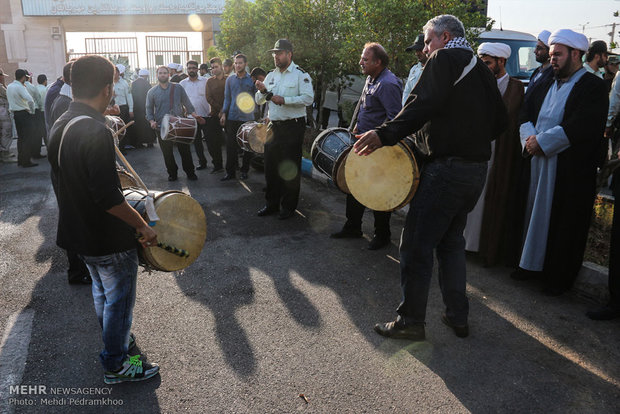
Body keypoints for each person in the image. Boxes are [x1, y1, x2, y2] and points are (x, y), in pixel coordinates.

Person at [355, 15, 507, 340]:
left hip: (447, 170)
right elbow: (501, 122)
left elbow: (421, 103)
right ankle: (457, 316)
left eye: (427, 40)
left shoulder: (443, 58)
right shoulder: (481, 69)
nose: (424, 48)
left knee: (415, 243)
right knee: (451, 242)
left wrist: (385, 134)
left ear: (445, 36)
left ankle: (410, 321)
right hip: (475, 170)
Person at [47, 54, 160, 384]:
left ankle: (118, 345)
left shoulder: (62, 121)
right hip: (106, 237)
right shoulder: (94, 130)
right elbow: (108, 197)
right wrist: (142, 226)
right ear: (108, 89)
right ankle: (117, 363)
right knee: (119, 302)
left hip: (79, 233)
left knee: (104, 295)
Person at [512, 29, 608, 296]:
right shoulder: (545, 81)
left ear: (576, 54)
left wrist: (542, 142)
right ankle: (527, 266)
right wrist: (529, 139)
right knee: (531, 215)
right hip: (536, 162)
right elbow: (525, 111)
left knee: (562, 223)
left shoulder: (593, 87)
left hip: (566, 169)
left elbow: (583, 126)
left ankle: (554, 278)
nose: (552, 59)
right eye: (551, 54)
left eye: (558, 54)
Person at [330, 43, 402, 250]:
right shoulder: (372, 79)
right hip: (361, 144)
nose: (361, 62)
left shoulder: (388, 84)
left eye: (365, 59)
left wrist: (379, 141)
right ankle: (353, 227)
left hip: (378, 150)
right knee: (355, 186)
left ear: (378, 62)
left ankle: (382, 235)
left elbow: (394, 120)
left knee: (379, 191)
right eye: (362, 58)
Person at [463, 42, 524, 267]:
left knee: (492, 198)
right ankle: (465, 245)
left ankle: (486, 249)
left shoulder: (516, 88)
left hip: (500, 154)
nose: (484, 66)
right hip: (474, 151)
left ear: (501, 62)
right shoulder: (474, 83)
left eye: (488, 63)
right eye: (481, 62)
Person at [255, 39, 314, 219]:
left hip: (292, 126)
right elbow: (258, 100)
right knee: (271, 167)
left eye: (279, 53)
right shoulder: (272, 75)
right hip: (273, 126)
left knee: (289, 168)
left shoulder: (300, 75)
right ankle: (271, 203)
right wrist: (263, 90)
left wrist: (285, 100)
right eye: (274, 53)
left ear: (289, 54)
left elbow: (308, 98)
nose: (276, 56)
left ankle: (288, 207)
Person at [146, 65, 204, 181]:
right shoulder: (152, 92)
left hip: (179, 124)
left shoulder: (177, 88)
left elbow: (187, 103)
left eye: (165, 73)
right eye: (160, 73)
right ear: (157, 75)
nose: (162, 75)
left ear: (169, 74)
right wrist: (152, 121)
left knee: (185, 151)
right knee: (167, 153)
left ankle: (190, 172)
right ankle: (172, 174)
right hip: (161, 126)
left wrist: (195, 115)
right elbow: (148, 109)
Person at [221, 54, 255, 181]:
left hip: (247, 117)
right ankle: (230, 172)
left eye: (240, 63)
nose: (237, 65)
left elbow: (258, 98)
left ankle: (245, 170)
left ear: (245, 64)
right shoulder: (230, 80)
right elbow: (227, 98)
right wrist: (224, 113)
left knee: (248, 146)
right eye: (236, 63)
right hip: (232, 117)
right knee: (230, 146)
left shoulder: (251, 80)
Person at [180, 60, 209, 170]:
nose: (191, 70)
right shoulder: (182, 84)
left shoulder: (206, 81)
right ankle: (202, 162)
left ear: (197, 69)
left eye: (193, 68)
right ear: (187, 70)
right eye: (189, 68)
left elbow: (210, 96)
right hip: (191, 118)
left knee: (211, 141)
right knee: (197, 143)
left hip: (206, 115)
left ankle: (217, 164)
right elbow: (180, 100)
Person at [7, 68, 37, 167]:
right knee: (27, 138)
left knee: (21, 138)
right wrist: (32, 112)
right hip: (24, 113)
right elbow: (30, 100)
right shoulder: (20, 87)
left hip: (16, 114)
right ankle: (26, 161)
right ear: (23, 77)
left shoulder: (9, 86)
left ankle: (21, 160)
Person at [205, 57, 227, 173]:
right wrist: (220, 109)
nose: (214, 69)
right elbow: (208, 98)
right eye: (212, 67)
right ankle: (217, 165)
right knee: (213, 142)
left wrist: (224, 110)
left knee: (231, 142)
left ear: (221, 66)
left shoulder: (229, 79)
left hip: (229, 115)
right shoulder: (209, 81)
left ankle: (233, 166)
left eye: (216, 67)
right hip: (214, 114)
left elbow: (231, 96)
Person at [131, 69, 155, 147]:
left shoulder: (133, 83)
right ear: (146, 76)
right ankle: (150, 142)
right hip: (146, 107)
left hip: (137, 108)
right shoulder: (147, 83)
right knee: (148, 123)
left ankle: (139, 142)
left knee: (139, 124)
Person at [402, 34, 427, 106]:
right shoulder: (414, 70)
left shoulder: (436, 68)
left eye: (420, 50)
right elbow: (407, 92)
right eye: (416, 50)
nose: (417, 53)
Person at [113, 64, 134, 149]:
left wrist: (131, 109)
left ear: (119, 73)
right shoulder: (108, 83)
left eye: (116, 72)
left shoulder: (125, 83)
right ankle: (114, 147)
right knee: (113, 127)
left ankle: (122, 147)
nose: (114, 74)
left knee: (122, 128)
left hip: (123, 108)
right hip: (112, 109)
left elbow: (129, 96)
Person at [0, 69, 16, 162]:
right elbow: (8, 95)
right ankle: (4, 153)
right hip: (3, 114)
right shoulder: (0, 87)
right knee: (6, 132)